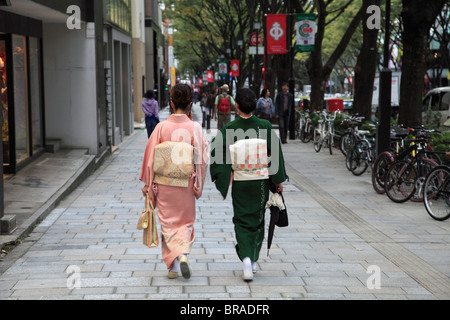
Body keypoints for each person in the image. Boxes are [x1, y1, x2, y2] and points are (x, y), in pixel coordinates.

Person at [210, 88, 287, 281]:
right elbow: (275, 155)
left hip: (240, 181)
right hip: (260, 181)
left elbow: (217, 152)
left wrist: (225, 174)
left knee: (241, 219)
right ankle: (252, 260)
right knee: (258, 219)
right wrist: (277, 180)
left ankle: (245, 258)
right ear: (254, 105)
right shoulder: (264, 126)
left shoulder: (229, 128)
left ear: (237, 106)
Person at [140, 83, 209, 280]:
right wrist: (198, 184)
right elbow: (201, 159)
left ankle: (172, 267)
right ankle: (184, 254)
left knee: (168, 224)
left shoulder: (161, 127)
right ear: (190, 105)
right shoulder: (195, 127)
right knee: (185, 222)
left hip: (164, 184)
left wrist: (148, 184)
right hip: (185, 183)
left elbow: (150, 158)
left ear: (171, 103)